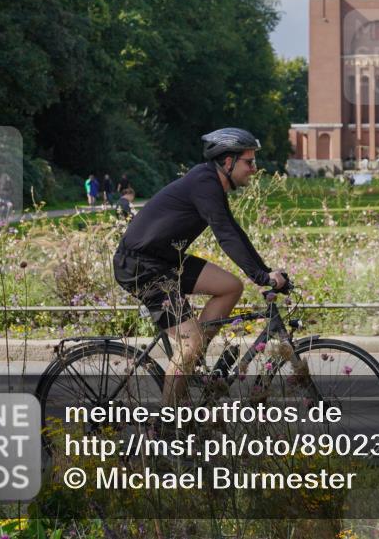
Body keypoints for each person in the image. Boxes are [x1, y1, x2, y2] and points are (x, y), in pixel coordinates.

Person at [112, 128, 287, 406]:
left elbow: (233, 230)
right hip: (140, 266)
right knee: (188, 343)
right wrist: (262, 276)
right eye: (249, 162)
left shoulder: (210, 183)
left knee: (231, 287)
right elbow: (225, 235)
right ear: (227, 162)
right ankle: (168, 427)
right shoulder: (204, 183)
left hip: (166, 260)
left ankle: (190, 361)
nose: (254, 169)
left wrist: (263, 272)